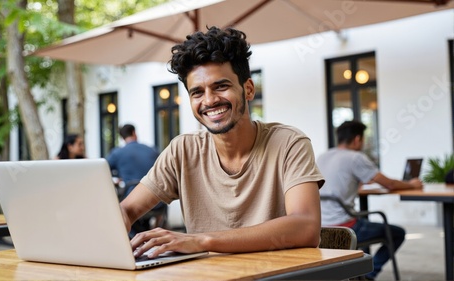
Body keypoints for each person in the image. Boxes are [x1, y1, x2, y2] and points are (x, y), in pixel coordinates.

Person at [120, 26, 324, 259]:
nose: (209, 100)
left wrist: (202, 240)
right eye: (197, 92)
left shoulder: (289, 143)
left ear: (248, 89)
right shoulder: (183, 150)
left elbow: (306, 226)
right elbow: (128, 209)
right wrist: (111, 226)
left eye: (221, 86)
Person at [317, 120, 423, 280]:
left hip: (321, 228)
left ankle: (360, 274)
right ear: (358, 139)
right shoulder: (355, 157)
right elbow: (390, 184)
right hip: (345, 228)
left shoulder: (323, 156)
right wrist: (412, 184)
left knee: (365, 221)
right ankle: (368, 275)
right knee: (397, 233)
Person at [106, 124, 164, 237]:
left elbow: (102, 169)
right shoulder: (152, 150)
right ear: (134, 133)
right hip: (158, 203)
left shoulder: (117, 153)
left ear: (122, 137)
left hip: (132, 204)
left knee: (123, 211)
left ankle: (133, 240)